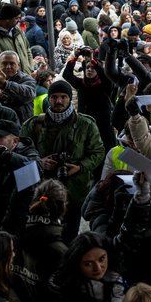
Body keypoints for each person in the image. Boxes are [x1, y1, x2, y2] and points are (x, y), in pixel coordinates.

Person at [22, 80, 105, 242]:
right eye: (54, 97)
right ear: (49, 98)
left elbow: (98, 152)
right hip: (41, 189)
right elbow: (21, 152)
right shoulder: (34, 124)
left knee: (70, 235)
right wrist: (40, 162)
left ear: (69, 98)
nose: (58, 101)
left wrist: (80, 167)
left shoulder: (86, 124)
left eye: (63, 97)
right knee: (42, 235)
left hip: (75, 189)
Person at [48, 232, 127, 302]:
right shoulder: (67, 300)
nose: (98, 268)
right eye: (88, 264)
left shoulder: (118, 282)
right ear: (76, 265)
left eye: (102, 259)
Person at [0, 3, 34, 74]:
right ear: (7, 19)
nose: (19, 21)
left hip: (26, 77)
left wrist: (30, 68)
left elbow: (27, 49)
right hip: (7, 81)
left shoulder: (18, 30)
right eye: (16, 18)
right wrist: (2, 79)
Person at [0, 50, 37, 125]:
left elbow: (29, 95)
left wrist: (5, 85)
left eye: (12, 64)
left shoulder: (27, 79)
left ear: (18, 65)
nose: (8, 67)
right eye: (4, 63)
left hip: (21, 124)